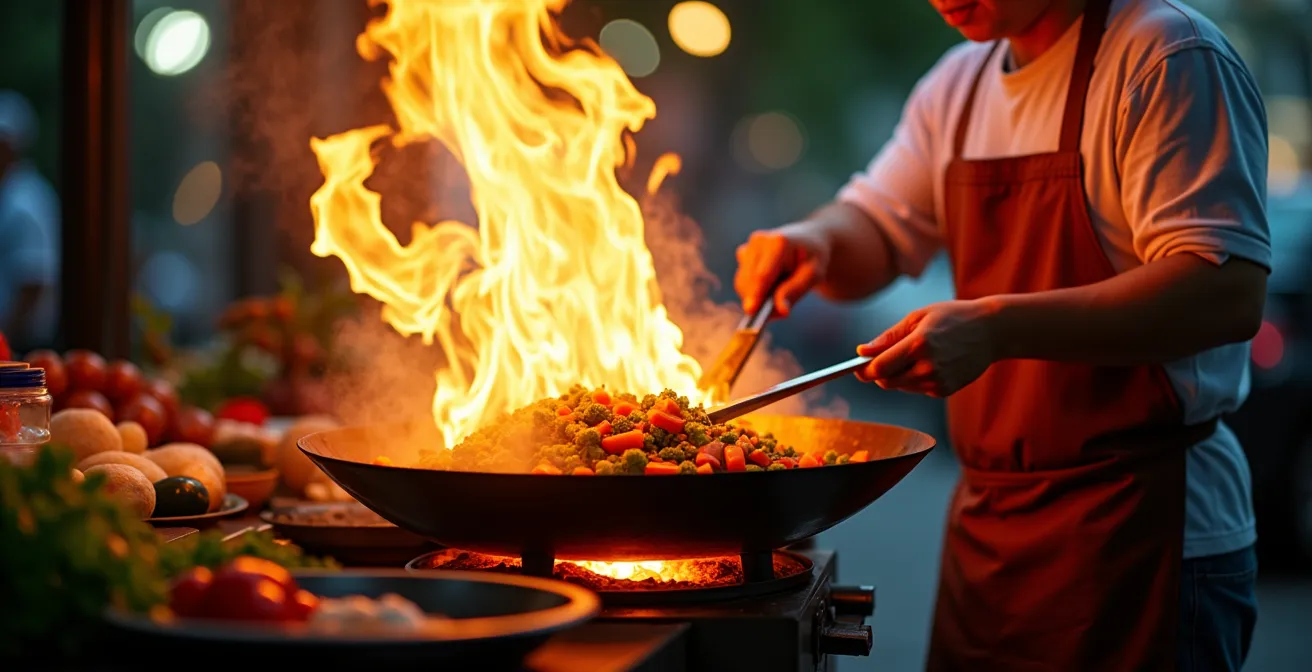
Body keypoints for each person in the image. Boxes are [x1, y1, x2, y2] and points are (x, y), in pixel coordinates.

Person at [734, 0, 1268, 670]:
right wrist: (812, 242)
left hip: (1144, 529)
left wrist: (998, 328)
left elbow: (1223, 294)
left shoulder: (1164, 56)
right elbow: (875, 228)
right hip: (991, 540)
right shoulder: (957, 85)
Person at [0, 90, 60, 351]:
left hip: (21, 344)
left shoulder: (25, 203)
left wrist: (7, 341)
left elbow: (33, 282)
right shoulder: (12, 194)